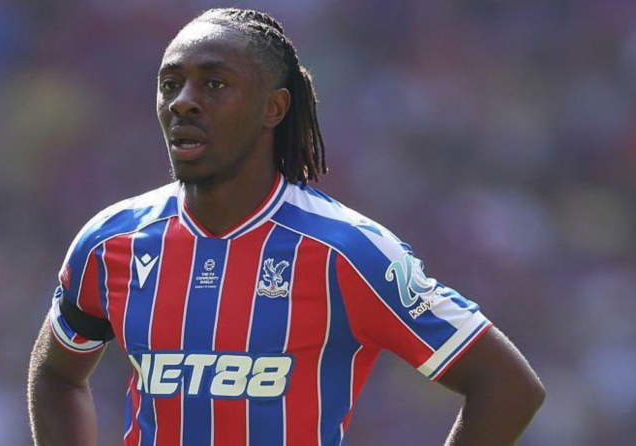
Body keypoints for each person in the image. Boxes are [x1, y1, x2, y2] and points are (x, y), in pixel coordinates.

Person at [27, 8, 545, 446]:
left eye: (214, 84)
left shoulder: (347, 251)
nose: (183, 100)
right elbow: (56, 375)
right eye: (170, 84)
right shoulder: (111, 243)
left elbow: (506, 386)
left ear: (273, 107)